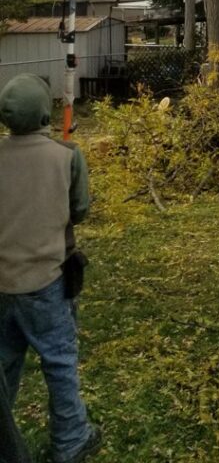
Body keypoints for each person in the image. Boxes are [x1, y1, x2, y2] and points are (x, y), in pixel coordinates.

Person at [0, 74, 101, 463]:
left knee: (4, 364)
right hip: (46, 282)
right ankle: (72, 439)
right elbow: (79, 211)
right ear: (45, 110)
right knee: (59, 360)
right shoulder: (67, 156)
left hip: (2, 284)